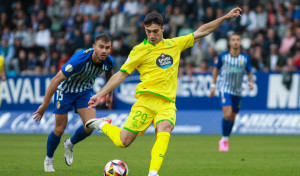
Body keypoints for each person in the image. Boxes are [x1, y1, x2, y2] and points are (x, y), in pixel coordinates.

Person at [86, 8, 242, 176]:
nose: (151, 35)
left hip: (167, 103)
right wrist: (100, 94)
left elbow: (202, 31)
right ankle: (101, 124)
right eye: (148, 32)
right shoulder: (139, 50)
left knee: (165, 128)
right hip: (145, 102)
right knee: (123, 142)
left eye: (155, 31)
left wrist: (225, 17)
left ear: (163, 29)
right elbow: (121, 74)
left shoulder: (174, 44)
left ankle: (153, 172)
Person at [32, 34, 115, 172]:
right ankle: (49, 158)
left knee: (90, 126)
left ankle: (70, 143)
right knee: (59, 129)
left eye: (107, 48)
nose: (104, 51)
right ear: (94, 47)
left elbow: (109, 74)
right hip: (65, 91)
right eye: (101, 47)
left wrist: (109, 95)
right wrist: (44, 106)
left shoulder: (108, 61)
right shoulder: (79, 59)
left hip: (84, 92)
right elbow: (55, 80)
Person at [210, 33, 254, 152]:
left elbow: (249, 71)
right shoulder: (223, 56)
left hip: (238, 91)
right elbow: (216, 70)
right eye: (233, 40)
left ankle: (226, 138)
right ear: (230, 42)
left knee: (233, 117)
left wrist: (251, 82)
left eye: (237, 40)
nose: (235, 42)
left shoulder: (245, 58)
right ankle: (224, 140)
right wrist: (213, 86)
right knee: (228, 114)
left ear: (240, 42)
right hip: (225, 89)